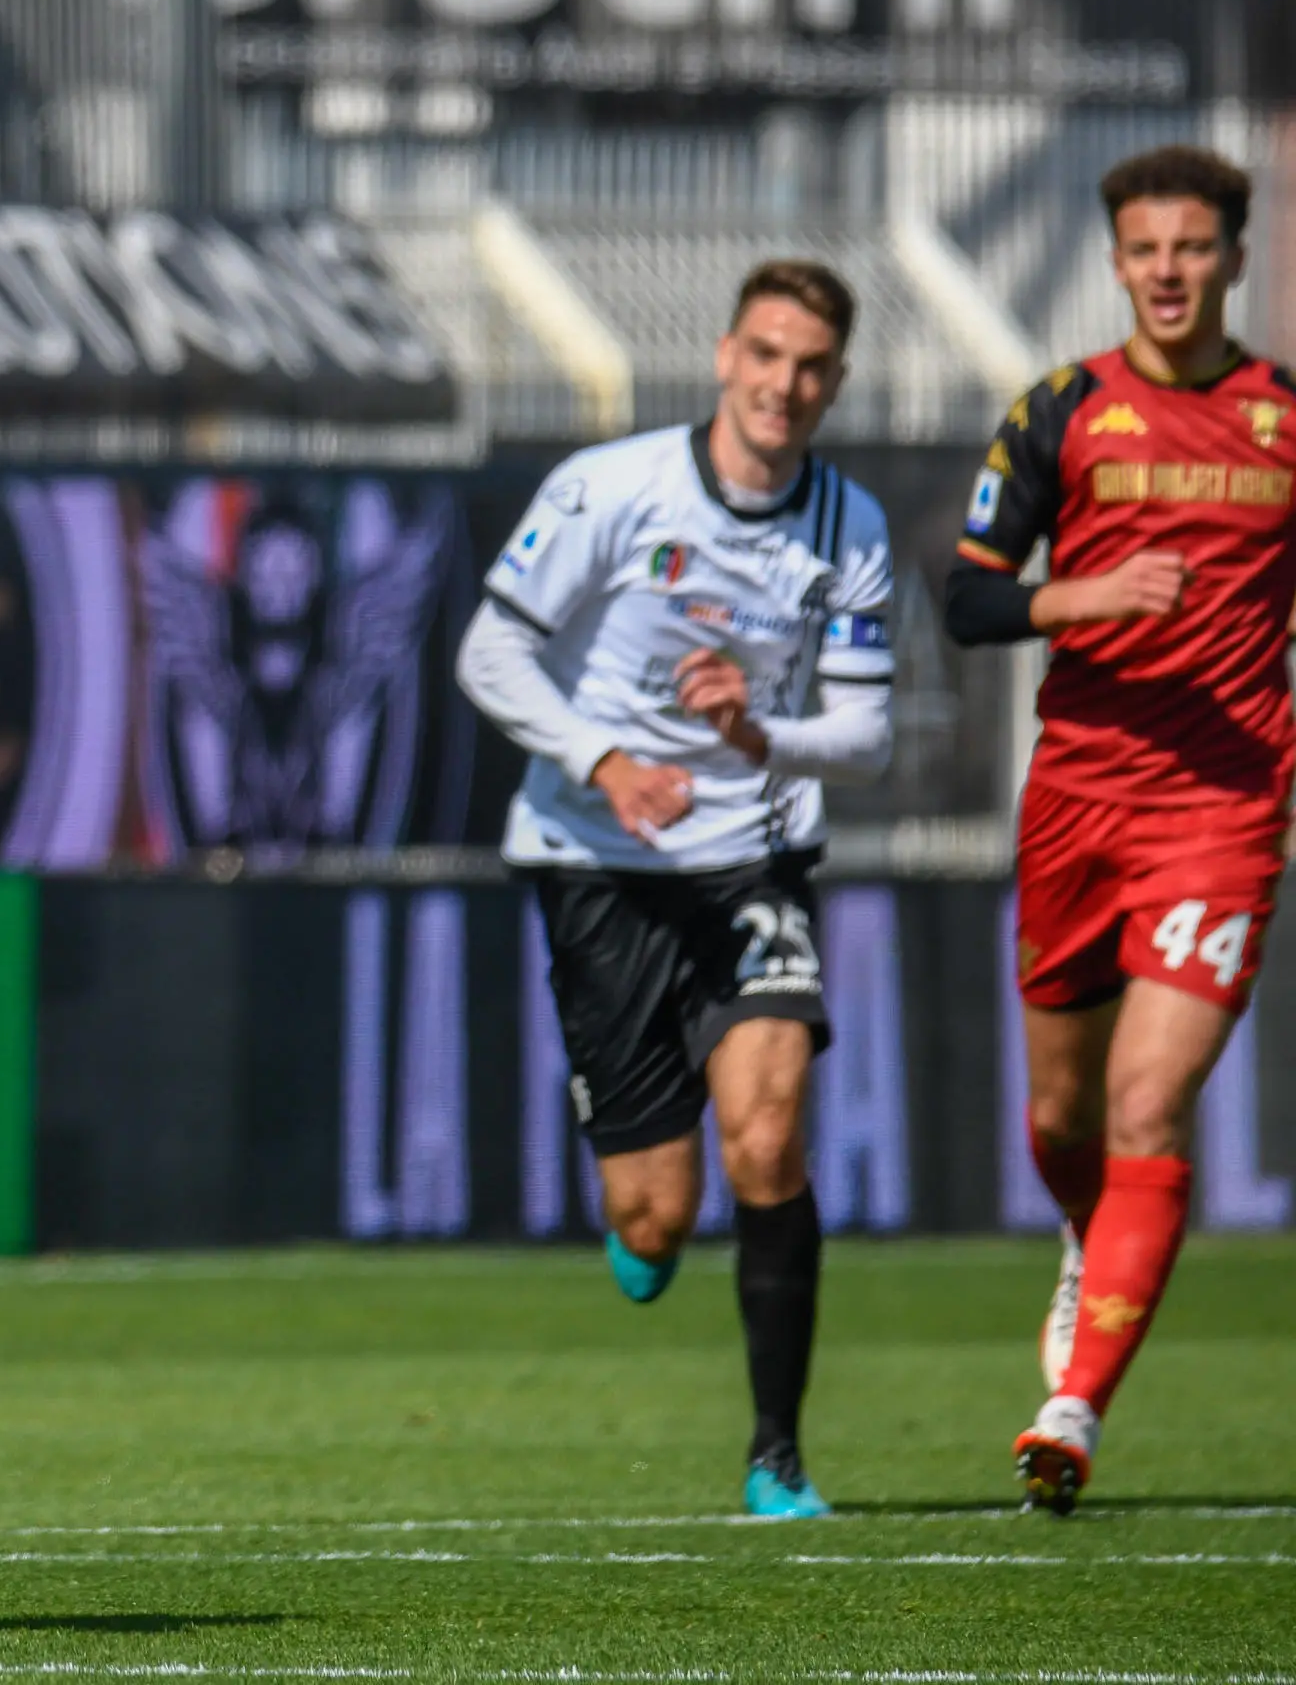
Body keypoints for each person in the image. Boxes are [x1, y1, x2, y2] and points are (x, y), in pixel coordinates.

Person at [456, 260, 894, 1521]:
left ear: (836, 382)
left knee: (768, 1133)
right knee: (655, 1217)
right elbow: (490, 648)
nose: (784, 385)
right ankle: (641, 1223)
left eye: (810, 366)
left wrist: (762, 736)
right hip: (597, 861)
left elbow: (860, 738)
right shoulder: (609, 488)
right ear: (723, 355)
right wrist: (603, 756)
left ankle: (778, 1454)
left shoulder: (847, 528)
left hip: (754, 852)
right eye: (765, 354)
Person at [942, 145, 1296, 1516]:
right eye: (1146, 248)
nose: (1168, 271)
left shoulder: (1281, 418)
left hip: (1221, 812)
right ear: (1115, 260)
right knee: (1060, 1113)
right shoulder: (1062, 411)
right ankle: (1091, 1242)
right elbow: (967, 602)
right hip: (1079, 805)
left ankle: (1072, 1405)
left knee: (1152, 1104)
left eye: (1193, 248)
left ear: (1233, 258)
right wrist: (1083, 600)